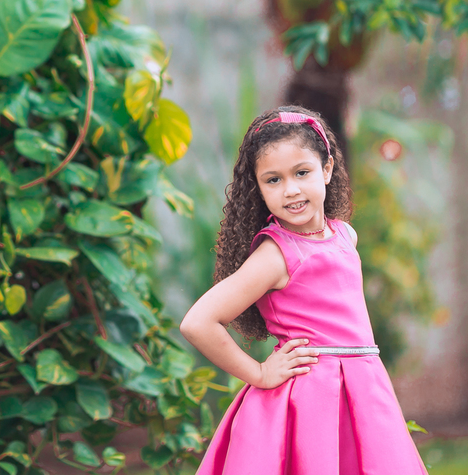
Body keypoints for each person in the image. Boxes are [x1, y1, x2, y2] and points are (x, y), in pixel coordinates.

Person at [180, 106, 426, 474]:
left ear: (326, 170)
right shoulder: (275, 255)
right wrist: (260, 374)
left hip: (364, 392)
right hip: (310, 401)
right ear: (258, 188)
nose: (291, 189)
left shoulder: (345, 235)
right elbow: (198, 322)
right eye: (273, 180)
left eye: (302, 172)